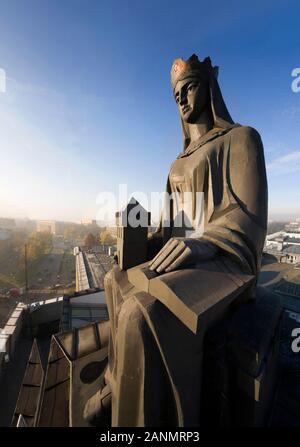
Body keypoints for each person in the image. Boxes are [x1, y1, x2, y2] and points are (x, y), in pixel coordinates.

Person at [84, 54, 268, 427]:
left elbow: (250, 220)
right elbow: (173, 228)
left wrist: (205, 242)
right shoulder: (176, 165)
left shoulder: (241, 139)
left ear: (209, 88)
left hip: (224, 260)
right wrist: (141, 241)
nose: (182, 99)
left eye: (189, 88)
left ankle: (155, 423)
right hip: (187, 258)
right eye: (176, 95)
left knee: (141, 313)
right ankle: (118, 384)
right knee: (114, 280)